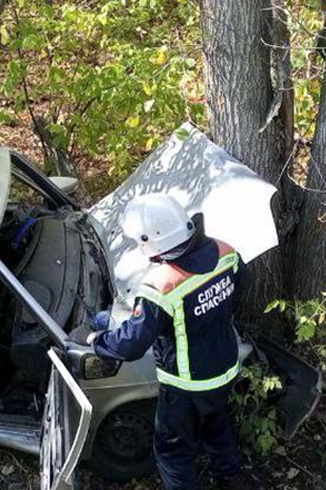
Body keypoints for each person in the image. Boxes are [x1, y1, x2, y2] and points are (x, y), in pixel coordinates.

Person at [87, 194, 248, 490]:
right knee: (218, 427)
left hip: (186, 386)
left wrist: (99, 341)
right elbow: (239, 288)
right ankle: (231, 479)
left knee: (173, 452)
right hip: (225, 366)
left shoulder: (161, 285)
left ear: (152, 241)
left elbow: (132, 344)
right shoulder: (226, 252)